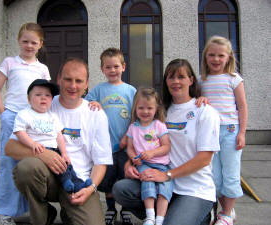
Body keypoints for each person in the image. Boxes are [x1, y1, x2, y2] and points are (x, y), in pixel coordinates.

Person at [5, 58, 113, 225]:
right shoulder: (42, 104)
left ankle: (69, 213)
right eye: (68, 79)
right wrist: (44, 154)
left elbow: (101, 161)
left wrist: (90, 189)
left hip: (78, 181)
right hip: (48, 177)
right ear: (58, 79)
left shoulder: (96, 114)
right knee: (26, 169)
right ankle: (43, 215)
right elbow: (10, 148)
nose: (73, 86)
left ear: (86, 84)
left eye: (79, 81)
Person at [113, 59, 221, 225]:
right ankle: (160, 215)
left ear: (191, 80)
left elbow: (205, 158)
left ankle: (203, 215)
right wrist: (129, 163)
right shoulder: (161, 111)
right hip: (161, 180)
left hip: (194, 189)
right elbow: (143, 140)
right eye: (171, 77)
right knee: (121, 189)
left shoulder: (204, 112)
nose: (176, 81)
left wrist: (167, 175)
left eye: (181, 77)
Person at [0, 22, 50, 225]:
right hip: (12, 118)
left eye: (34, 42)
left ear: (40, 44)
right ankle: (3, 213)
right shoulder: (10, 62)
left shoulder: (42, 68)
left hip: (32, 121)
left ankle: (28, 209)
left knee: (29, 164)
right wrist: (3, 113)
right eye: (25, 41)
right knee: (8, 165)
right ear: (18, 41)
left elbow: (47, 95)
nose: (29, 45)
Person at [200, 36, 248, 225]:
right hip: (210, 134)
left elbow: (242, 107)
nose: (216, 59)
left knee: (231, 173)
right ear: (205, 57)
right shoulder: (201, 80)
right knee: (214, 175)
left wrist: (242, 133)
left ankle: (226, 214)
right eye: (212, 55)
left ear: (229, 57)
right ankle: (226, 210)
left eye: (221, 55)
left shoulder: (234, 79)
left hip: (230, 131)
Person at [85, 47, 136, 225]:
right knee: (108, 181)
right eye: (108, 67)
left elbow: (137, 117)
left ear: (124, 67)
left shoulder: (131, 91)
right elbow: (85, 104)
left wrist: (128, 137)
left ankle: (126, 210)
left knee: (125, 178)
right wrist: (93, 103)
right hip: (105, 146)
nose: (112, 70)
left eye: (116, 66)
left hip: (125, 145)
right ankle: (111, 209)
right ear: (102, 69)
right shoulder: (98, 90)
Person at [13, 79, 92, 193]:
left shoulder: (52, 116)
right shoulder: (24, 114)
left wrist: (64, 153)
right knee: (57, 168)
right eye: (38, 95)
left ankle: (78, 184)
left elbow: (59, 135)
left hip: (55, 150)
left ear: (51, 99)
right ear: (29, 99)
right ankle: (66, 183)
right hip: (38, 150)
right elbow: (19, 132)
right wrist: (32, 143)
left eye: (47, 95)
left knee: (67, 165)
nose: (43, 97)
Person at [126, 87, 172, 225]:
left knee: (165, 188)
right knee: (147, 182)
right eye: (141, 108)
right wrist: (134, 157)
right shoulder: (133, 127)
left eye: (149, 108)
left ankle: (160, 219)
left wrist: (152, 153)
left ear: (156, 109)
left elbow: (166, 146)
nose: (145, 112)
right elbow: (129, 148)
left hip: (162, 165)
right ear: (135, 108)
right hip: (144, 164)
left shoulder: (159, 125)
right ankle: (150, 216)